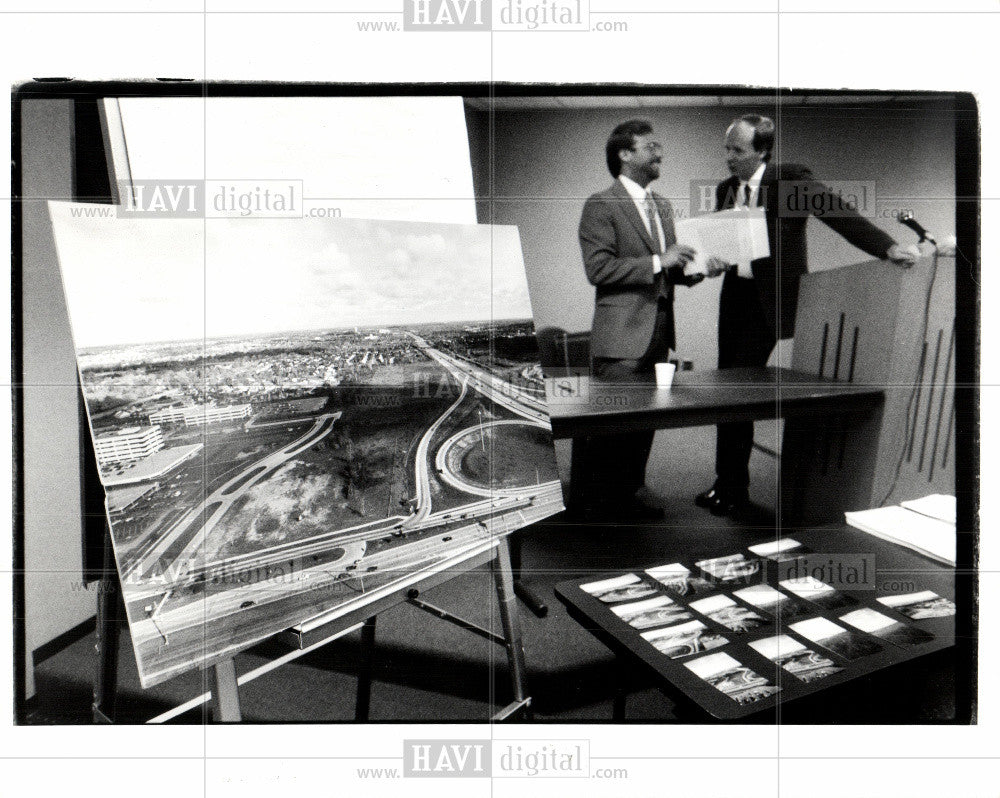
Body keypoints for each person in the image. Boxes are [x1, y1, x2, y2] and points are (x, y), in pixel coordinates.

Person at [695, 114, 919, 517]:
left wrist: (885, 247)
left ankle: (755, 487)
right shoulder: (727, 189)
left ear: (762, 150)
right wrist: (709, 261)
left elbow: (838, 212)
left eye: (737, 150)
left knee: (761, 393)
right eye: (726, 149)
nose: (728, 157)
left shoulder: (786, 182)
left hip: (776, 301)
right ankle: (727, 483)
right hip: (737, 300)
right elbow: (725, 245)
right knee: (729, 394)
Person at [577, 119, 702, 521]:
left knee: (645, 418)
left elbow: (668, 269)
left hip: (659, 334)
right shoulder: (601, 204)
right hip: (620, 337)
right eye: (651, 146)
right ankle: (594, 504)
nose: (659, 152)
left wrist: (697, 268)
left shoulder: (661, 205)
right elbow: (598, 270)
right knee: (611, 426)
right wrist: (656, 261)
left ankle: (632, 488)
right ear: (624, 154)